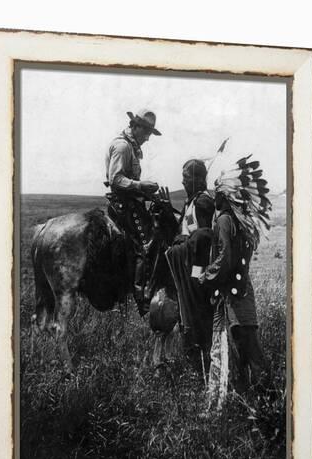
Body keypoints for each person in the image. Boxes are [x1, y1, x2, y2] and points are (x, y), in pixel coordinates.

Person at [198, 158, 271, 410]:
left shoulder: (224, 221)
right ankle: (253, 401)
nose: (214, 198)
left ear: (225, 197)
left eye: (217, 194)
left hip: (231, 295)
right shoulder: (240, 221)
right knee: (244, 346)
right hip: (242, 291)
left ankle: (264, 400)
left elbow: (225, 258)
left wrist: (207, 275)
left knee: (246, 347)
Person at [104, 109, 161, 315]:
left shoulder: (130, 146)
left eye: (149, 132)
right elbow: (116, 180)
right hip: (124, 205)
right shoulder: (122, 146)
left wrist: (145, 193)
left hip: (130, 202)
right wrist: (141, 185)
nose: (147, 137)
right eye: (145, 131)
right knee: (145, 245)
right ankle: (141, 297)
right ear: (135, 127)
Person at [165, 159, 215, 378]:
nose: (183, 181)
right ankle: (194, 362)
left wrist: (182, 244)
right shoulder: (192, 201)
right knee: (188, 312)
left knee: (197, 312)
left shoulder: (203, 202)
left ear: (197, 179)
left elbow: (204, 238)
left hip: (197, 268)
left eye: (186, 177)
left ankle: (202, 364)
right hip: (188, 265)